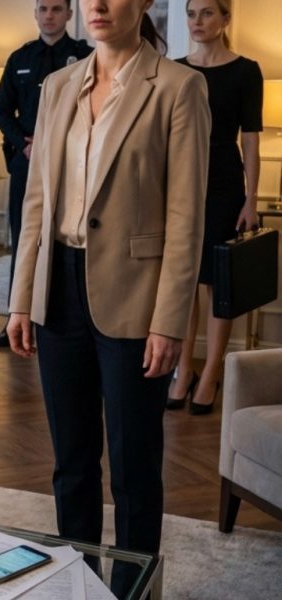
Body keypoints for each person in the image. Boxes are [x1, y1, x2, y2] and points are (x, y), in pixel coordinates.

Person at [6, 0, 210, 595]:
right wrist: (21, 298)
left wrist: (169, 320)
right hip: (58, 291)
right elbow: (37, 202)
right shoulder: (57, 86)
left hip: (136, 297)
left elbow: (186, 218)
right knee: (71, 464)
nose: (95, 5)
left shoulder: (178, 88)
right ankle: (79, 584)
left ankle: (131, 591)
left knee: (134, 469)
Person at [167, 0, 262, 415]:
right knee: (183, 281)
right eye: (191, 14)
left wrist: (251, 199)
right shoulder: (174, 69)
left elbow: (251, 140)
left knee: (218, 282)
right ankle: (183, 369)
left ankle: (210, 373)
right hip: (180, 182)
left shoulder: (246, 71)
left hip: (224, 184)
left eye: (207, 13)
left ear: (225, 19)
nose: (197, 22)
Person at [0, 0, 92, 348]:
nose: (49, 15)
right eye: (43, 9)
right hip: (27, 160)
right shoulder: (20, 58)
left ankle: (58, 317)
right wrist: (24, 144)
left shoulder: (84, 56)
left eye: (56, 9)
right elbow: (3, 110)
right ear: (36, 14)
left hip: (71, 163)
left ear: (69, 15)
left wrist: (53, 145)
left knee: (64, 238)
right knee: (24, 238)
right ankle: (14, 318)